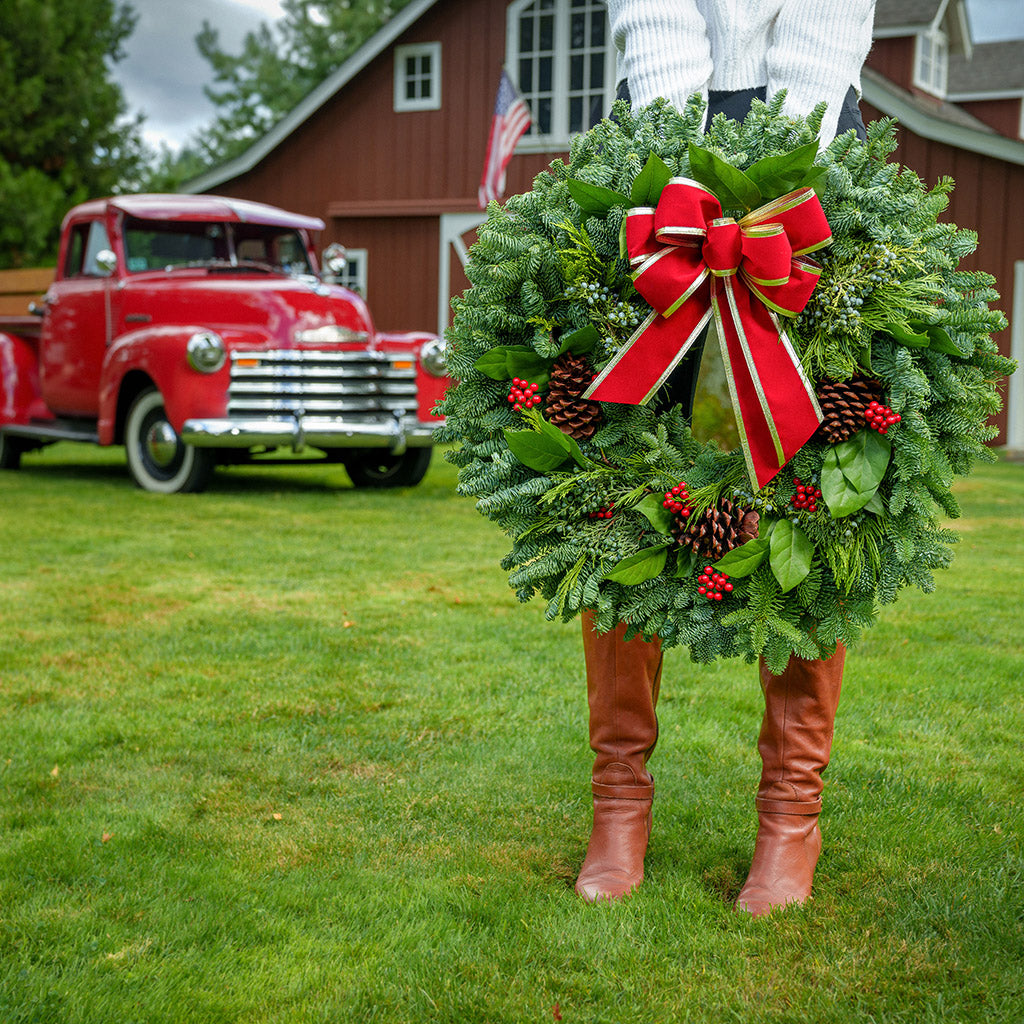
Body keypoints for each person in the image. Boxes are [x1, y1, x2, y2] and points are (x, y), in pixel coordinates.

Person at [574, 0, 876, 915]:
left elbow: (826, 30)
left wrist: (779, 179)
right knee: (616, 476)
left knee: (814, 485)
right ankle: (618, 802)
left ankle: (791, 816)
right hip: (659, 147)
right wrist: (680, 171)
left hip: (814, 138)